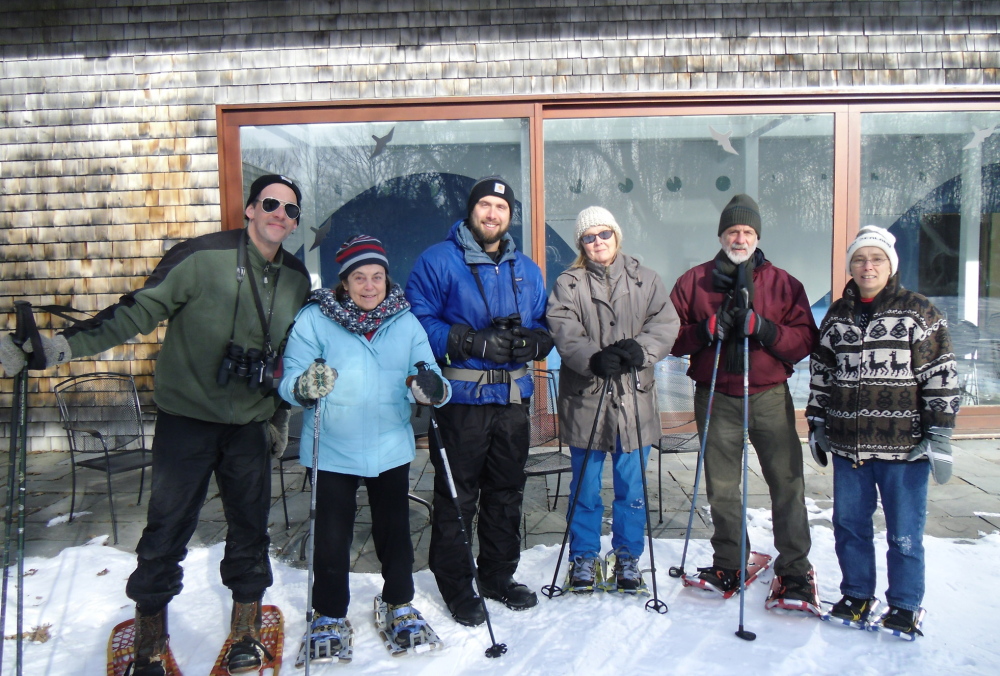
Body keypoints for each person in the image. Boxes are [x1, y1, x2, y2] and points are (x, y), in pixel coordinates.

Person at [0, 175, 311, 675]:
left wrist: (280, 417)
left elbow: (291, 357)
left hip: (250, 426)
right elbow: (136, 312)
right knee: (166, 530)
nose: (281, 214)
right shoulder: (200, 257)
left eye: (291, 210)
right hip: (186, 421)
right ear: (250, 209)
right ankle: (149, 639)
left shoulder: (297, 278)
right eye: (271, 204)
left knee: (251, 531)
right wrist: (59, 347)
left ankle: (246, 630)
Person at [278, 235, 451, 658]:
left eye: (377, 276)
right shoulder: (315, 320)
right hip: (333, 445)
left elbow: (430, 377)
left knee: (395, 530)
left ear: (386, 278)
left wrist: (430, 388)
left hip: (389, 445)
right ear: (344, 281)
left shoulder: (406, 322)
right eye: (360, 277)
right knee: (332, 535)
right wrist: (303, 385)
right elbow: (289, 381)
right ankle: (329, 612)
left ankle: (398, 602)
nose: (369, 285)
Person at [405, 176, 554, 626]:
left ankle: (496, 575)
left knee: (506, 493)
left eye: (501, 208)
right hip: (462, 400)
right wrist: (468, 340)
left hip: (511, 402)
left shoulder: (526, 269)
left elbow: (546, 323)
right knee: (457, 496)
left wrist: (534, 342)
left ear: (510, 217)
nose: (492, 213)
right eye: (485, 205)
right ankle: (456, 583)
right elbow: (416, 322)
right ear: (472, 210)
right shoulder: (437, 261)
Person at [807, 225, 959, 635]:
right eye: (859, 259)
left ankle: (905, 604)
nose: (867, 265)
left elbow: (940, 375)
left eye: (875, 259)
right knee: (849, 526)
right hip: (847, 446)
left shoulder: (919, 312)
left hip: (904, 448)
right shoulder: (838, 314)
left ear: (889, 265)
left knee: (904, 533)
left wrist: (939, 435)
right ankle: (857, 594)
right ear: (851, 267)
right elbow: (822, 372)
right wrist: (817, 421)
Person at [669, 194, 818, 602]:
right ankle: (730, 559)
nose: (740, 238)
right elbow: (670, 337)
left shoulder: (783, 283)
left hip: (767, 394)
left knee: (785, 481)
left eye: (747, 231)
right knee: (720, 486)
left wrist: (765, 330)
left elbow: (805, 339)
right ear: (721, 235)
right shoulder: (693, 281)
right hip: (716, 394)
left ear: (757, 236)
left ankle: (795, 569)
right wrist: (705, 330)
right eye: (733, 231)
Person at [545, 206, 678, 593]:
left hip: (634, 401)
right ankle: (583, 556)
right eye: (589, 237)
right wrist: (592, 358)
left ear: (616, 236)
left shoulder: (646, 279)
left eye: (604, 234)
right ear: (581, 244)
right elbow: (563, 328)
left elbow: (666, 323)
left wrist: (642, 350)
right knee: (585, 486)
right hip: (587, 398)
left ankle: (628, 555)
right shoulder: (568, 283)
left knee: (630, 487)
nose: (598, 242)